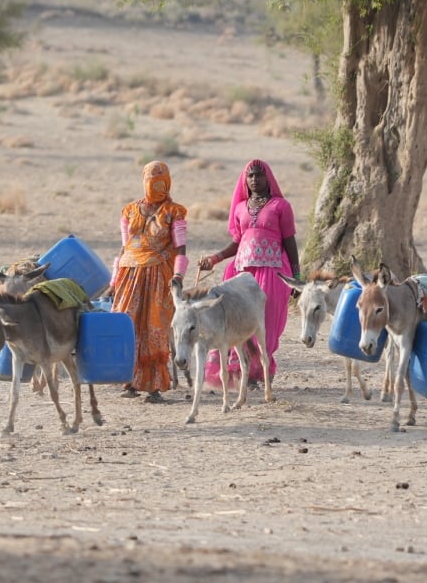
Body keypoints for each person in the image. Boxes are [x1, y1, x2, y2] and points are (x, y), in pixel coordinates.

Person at [197, 158, 300, 388]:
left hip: (273, 271)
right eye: (250, 176)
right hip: (242, 273)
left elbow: (290, 242)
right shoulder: (241, 208)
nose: (254, 180)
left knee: (267, 322)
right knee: (239, 321)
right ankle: (242, 373)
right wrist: (215, 259)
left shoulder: (280, 207)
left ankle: (261, 370)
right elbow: (237, 242)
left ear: (268, 178)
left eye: (259, 175)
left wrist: (296, 278)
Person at [112, 160, 189, 403]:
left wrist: (178, 276)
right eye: (150, 179)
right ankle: (129, 381)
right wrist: (114, 280)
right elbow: (124, 247)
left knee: (155, 328)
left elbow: (181, 249)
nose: (154, 184)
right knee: (127, 323)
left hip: (159, 275)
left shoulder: (175, 212)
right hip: (129, 274)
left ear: (167, 181)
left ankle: (154, 386)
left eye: (160, 179)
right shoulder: (129, 210)